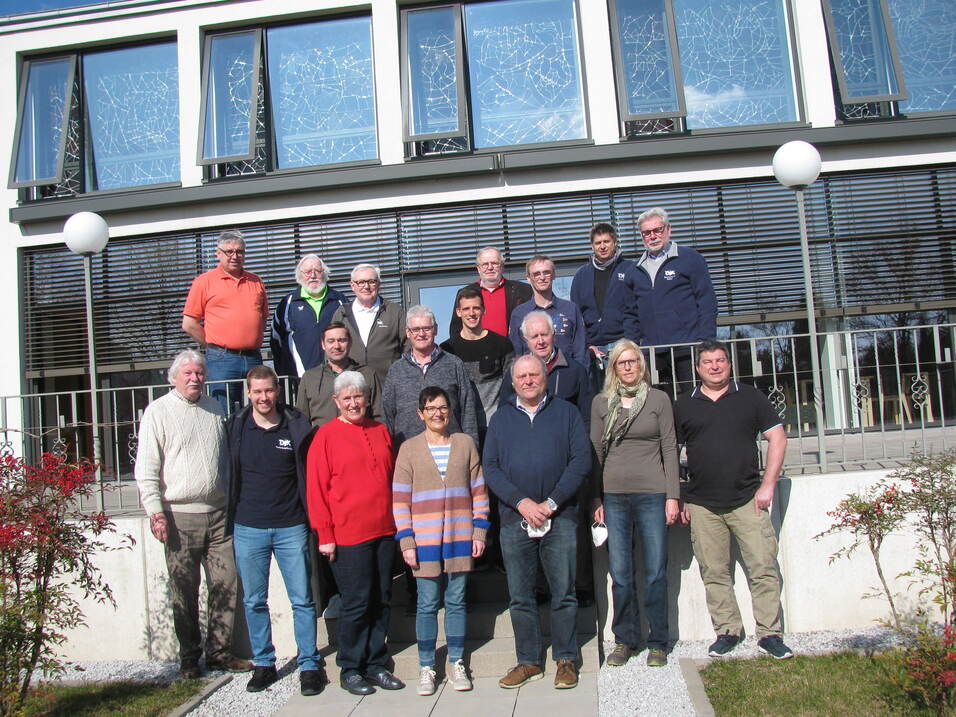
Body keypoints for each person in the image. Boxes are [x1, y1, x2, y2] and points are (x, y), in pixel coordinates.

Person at [134, 349, 252, 679]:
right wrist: (156, 512)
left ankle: (219, 654)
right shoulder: (158, 412)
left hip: (219, 515)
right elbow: (146, 468)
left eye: (199, 373)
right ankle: (189, 657)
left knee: (226, 584)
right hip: (179, 517)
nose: (195, 378)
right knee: (184, 591)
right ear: (173, 378)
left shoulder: (215, 409)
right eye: (187, 373)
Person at [674, 340, 793, 660]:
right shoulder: (684, 404)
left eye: (720, 360)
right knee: (714, 572)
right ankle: (727, 631)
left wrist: (768, 485)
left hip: (747, 500)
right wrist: (679, 496)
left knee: (763, 568)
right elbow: (670, 452)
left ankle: (770, 634)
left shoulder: (751, 397)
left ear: (729, 364)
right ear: (697, 368)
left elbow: (778, 438)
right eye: (708, 362)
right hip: (702, 504)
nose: (715, 366)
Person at [483, 354, 591, 690]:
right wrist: (522, 502)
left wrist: (551, 502)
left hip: (561, 516)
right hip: (515, 519)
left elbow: (581, 461)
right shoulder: (501, 419)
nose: (528, 381)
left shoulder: (567, 413)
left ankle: (566, 659)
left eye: (534, 375)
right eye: (522, 376)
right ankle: (528, 660)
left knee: (564, 593)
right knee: (520, 596)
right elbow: (491, 468)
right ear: (513, 382)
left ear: (545, 377)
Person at [223, 366, 324, 696]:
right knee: (254, 601)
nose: (263, 397)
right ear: (248, 393)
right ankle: (264, 663)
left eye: (268, 390)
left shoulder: (296, 425)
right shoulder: (236, 427)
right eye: (257, 392)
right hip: (248, 527)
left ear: (277, 391)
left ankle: (309, 664)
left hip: (291, 526)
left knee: (303, 600)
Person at [306, 371, 405, 695]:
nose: (353, 403)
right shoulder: (325, 436)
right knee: (356, 602)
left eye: (358, 396)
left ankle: (376, 663)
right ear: (336, 401)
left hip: (384, 530)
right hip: (348, 536)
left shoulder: (380, 431)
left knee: (382, 599)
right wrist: (325, 535)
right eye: (346, 398)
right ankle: (351, 667)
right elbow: (316, 490)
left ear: (367, 398)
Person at [392, 386, 490, 696]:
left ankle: (456, 661)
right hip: (424, 539)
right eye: (431, 408)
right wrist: (407, 540)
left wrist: (479, 531)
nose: (438, 413)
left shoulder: (465, 444)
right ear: (420, 414)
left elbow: (479, 491)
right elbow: (400, 500)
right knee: (426, 603)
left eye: (443, 407)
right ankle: (426, 666)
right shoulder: (409, 449)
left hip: (459, 535)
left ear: (450, 411)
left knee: (457, 600)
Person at [590, 340, 679, 668]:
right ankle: (625, 639)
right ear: (613, 368)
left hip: (652, 494)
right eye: (621, 362)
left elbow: (669, 447)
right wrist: (595, 497)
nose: (628, 367)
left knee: (655, 571)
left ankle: (658, 641)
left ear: (642, 365)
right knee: (621, 573)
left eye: (633, 361)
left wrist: (673, 496)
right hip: (613, 496)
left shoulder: (658, 400)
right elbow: (596, 451)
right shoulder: (601, 403)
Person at [500, 310, 593, 604]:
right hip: (526, 477)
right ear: (525, 340)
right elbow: (506, 420)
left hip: (566, 471)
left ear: (554, 335)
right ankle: (539, 587)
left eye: (544, 334)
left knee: (571, 532)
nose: (540, 340)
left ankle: (580, 587)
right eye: (534, 336)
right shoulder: (516, 373)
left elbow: (586, 418)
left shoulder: (575, 371)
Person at [632, 208, 718, 395]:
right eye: (647, 232)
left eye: (658, 230)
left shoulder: (690, 258)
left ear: (669, 230)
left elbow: (707, 301)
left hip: (688, 348)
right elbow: (631, 313)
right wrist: (634, 347)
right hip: (653, 352)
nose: (653, 236)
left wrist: (706, 342)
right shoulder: (635, 269)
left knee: (695, 398)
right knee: (660, 403)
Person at [182, 230, 268, 412]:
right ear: (218, 253)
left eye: (239, 251)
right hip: (222, 359)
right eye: (229, 251)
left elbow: (262, 318)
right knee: (223, 411)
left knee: (260, 409)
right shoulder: (204, 282)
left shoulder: (256, 281)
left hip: (253, 357)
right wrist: (214, 345)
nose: (235, 256)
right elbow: (189, 324)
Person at [383, 305, 479, 447]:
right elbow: (387, 415)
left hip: (450, 449)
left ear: (436, 330)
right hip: (409, 452)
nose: (421, 334)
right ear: (408, 332)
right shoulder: (396, 370)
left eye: (427, 328)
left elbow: (468, 409)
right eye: (416, 329)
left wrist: (472, 447)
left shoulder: (454, 364)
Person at [569, 223, 640, 383]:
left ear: (615, 243)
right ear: (592, 246)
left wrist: (630, 342)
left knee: (626, 391)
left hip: (623, 343)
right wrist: (587, 344)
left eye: (606, 241)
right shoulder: (581, 275)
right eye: (598, 243)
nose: (602, 246)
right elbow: (577, 315)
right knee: (600, 394)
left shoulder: (630, 269)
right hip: (593, 348)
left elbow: (635, 310)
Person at [440, 287, 514, 434]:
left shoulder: (503, 345)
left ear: (483, 310)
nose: (471, 313)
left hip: (496, 426)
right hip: (461, 429)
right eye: (466, 309)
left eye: (476, 308)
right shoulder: (447, 350)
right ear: (458, 312)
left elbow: (511, 386)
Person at [271, 254, 347, 378]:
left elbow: (351, 336)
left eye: (317, 271)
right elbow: (276, 341)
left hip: (336, 376)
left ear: (325, 273)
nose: (313, 276)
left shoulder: (340, 300)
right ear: (299, 275)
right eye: (307, 272)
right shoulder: (287, 304)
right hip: (298, 377)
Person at [296, 322, 382, 427]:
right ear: (323, 344)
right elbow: (301, 420)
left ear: (350, 342)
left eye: (342, 340)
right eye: (331, 341)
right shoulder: (309, 378)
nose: (336, 346)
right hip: (322, 437)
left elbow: (379, 415)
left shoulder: (367, 375)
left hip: (361, 435)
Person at [332, 263, 408, 383]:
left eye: (371, 281)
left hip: (388, 385)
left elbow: (409, 346)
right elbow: (331, 348)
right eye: (361, 282)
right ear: (352, 286)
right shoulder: (342, 313)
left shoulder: (394, 311)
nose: (366, 286)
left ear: (379, 284)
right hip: (352, 388)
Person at [508, 255, 587, 368]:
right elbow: (515, 355)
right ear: (528, 278)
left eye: (546, 273)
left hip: (567, 373)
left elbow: (581, 351)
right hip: (532, 375)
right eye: (536, 274)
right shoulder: (519, 314)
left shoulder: (570, 309)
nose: (542, 277)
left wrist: (581, 375)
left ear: (553, 275)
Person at [448, 246, 531, 338]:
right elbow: (455, 330)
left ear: (502, 266)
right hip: (476, 346)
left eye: (494, 263)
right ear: (478, 268)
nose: (490, 267)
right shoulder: (464, 293)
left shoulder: (523, 290)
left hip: (511, 346)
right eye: (485, 264)